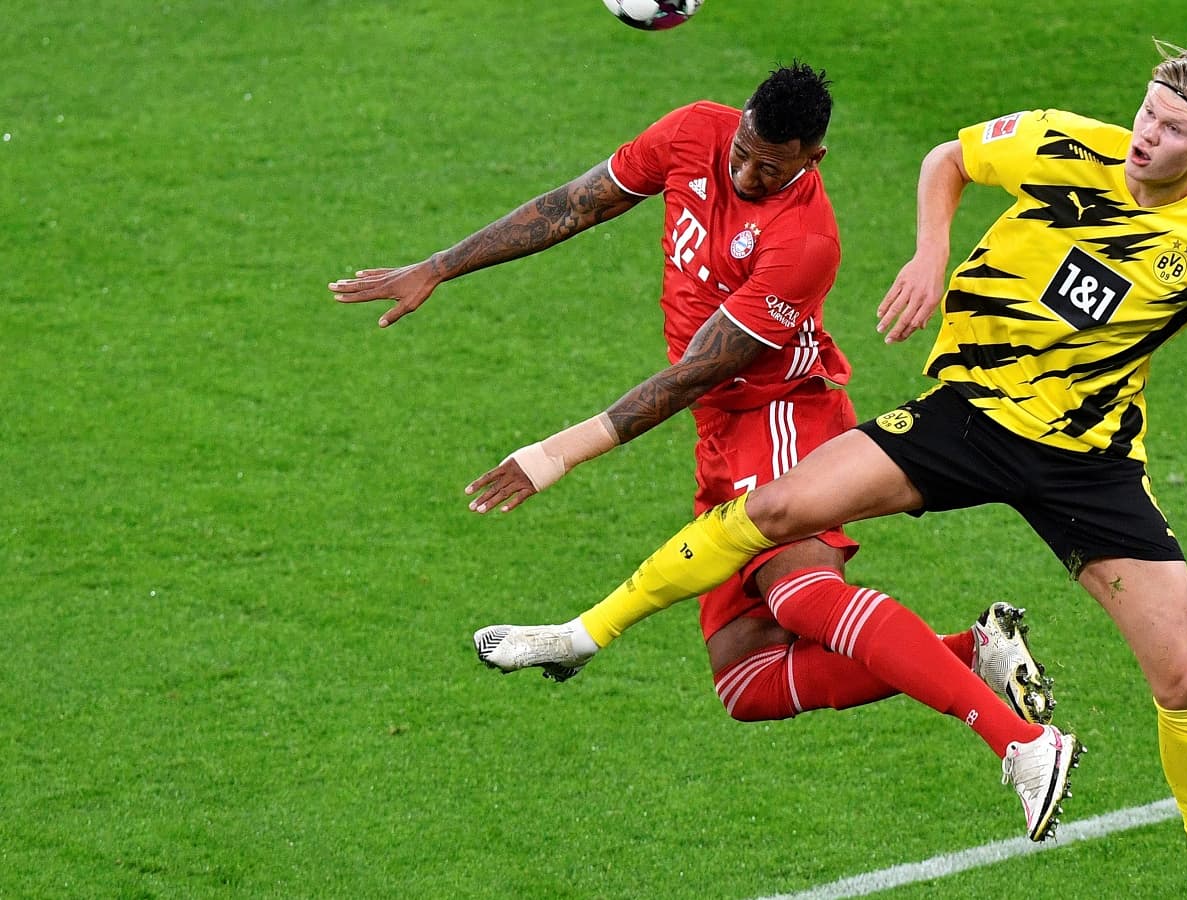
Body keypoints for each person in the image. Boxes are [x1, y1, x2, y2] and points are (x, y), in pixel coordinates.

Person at [470, 42, 1187, 894]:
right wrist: (931, 252)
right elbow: (949, 157)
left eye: (1172, 131)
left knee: (1184, 682)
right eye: (1146, 113)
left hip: (1086, 464)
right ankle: (585, 636)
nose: (1145, 135)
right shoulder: (1062, 142)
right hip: (966, 415)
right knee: (779, 512)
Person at [330, 62, 1072, 835]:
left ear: (811, 162)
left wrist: (553, 455)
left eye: (770, 166)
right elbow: (574, 205)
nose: (746, 172)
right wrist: (440, 267)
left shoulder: (805, 244)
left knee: (798, 591)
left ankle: (1021, 742)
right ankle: (976, 649)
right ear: (740, 120)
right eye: (744, 150)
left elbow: (693, 374)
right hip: (720, 429)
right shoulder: (695, 132)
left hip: (781, 414)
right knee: (747, 683)